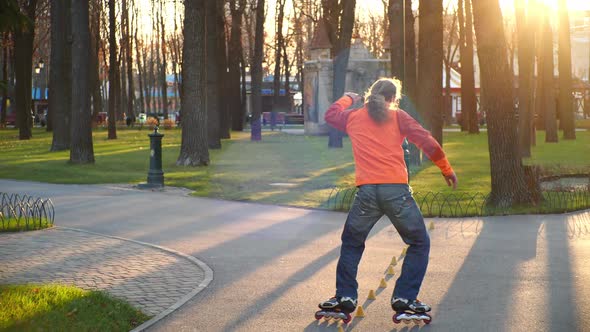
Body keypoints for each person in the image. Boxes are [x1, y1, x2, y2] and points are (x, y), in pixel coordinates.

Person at [318, 77, 458, 318]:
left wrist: (349, 98)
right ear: (394, 99)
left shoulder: (353, 116)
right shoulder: (398, 116)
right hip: (396, 192)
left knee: (352, 242)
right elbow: (427, 141)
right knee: (419, 242)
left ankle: (345, 297)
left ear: (370, 95)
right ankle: (405, 298)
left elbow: (331, 115)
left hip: (367, 193)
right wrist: (446, 168)